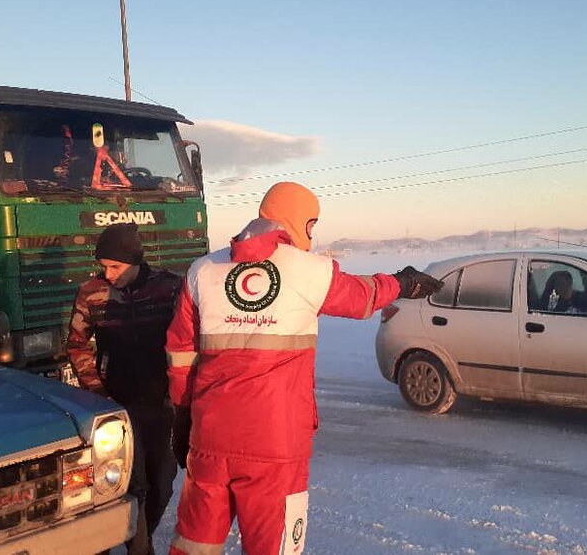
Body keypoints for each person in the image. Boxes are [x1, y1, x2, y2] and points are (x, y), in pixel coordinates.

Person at [164, 181, 443, 555]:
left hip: (210, 438)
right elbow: (363, 298)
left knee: (194, 545)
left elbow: (180, 352)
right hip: (276, 445)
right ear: (301, 221)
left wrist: (183, 415)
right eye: (312, 223)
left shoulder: (203, 270)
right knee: (273, 546)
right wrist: (403, 282)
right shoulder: (310, 270)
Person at [67, 222, 182, 555]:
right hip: (117, 405)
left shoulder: (169, 288)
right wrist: (97, 391)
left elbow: (188, 341)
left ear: (135, 261)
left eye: (115, 267)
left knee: (161, 484)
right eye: (104, 266)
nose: (109, 273)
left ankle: (134, 535)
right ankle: (140, 549)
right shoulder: (92, 292)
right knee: (134, 484)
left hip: (162, 404)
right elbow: (76, 342)